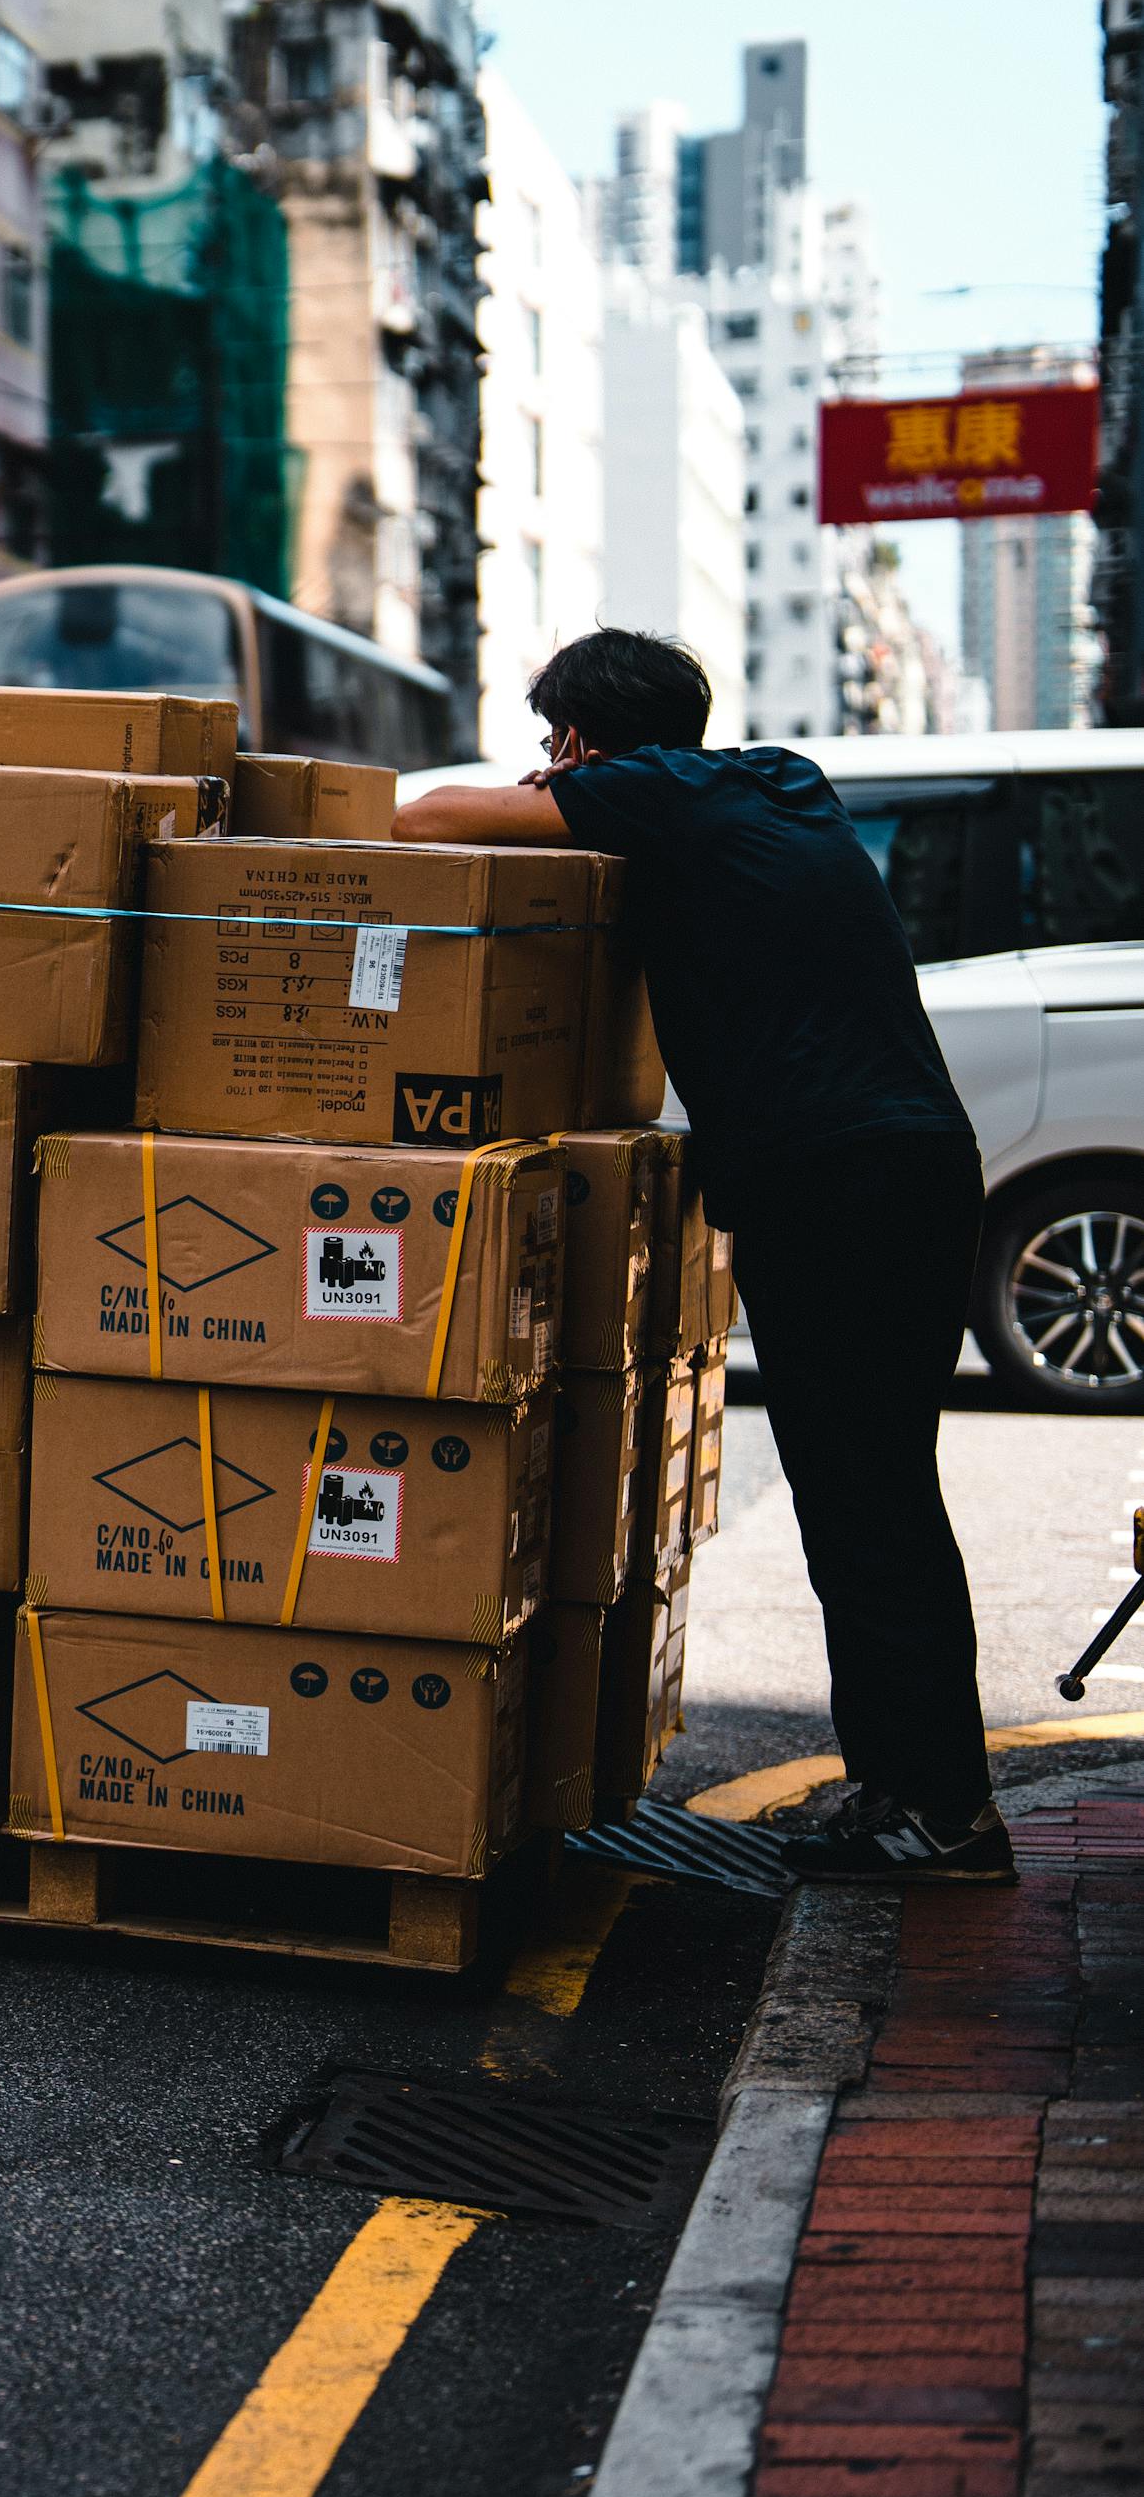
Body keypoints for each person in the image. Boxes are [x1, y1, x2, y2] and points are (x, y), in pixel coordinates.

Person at [393, 628, 1011, 1885]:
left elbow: (419, 816)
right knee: (859, 1498)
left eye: (549, 744)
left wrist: (534, 795)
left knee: (871, 1500)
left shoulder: (648, 792)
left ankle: (943, 1815)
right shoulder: (772, 780)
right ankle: (898, 1787)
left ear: (575, 740)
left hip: (837, 1186)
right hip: (893, 1172)